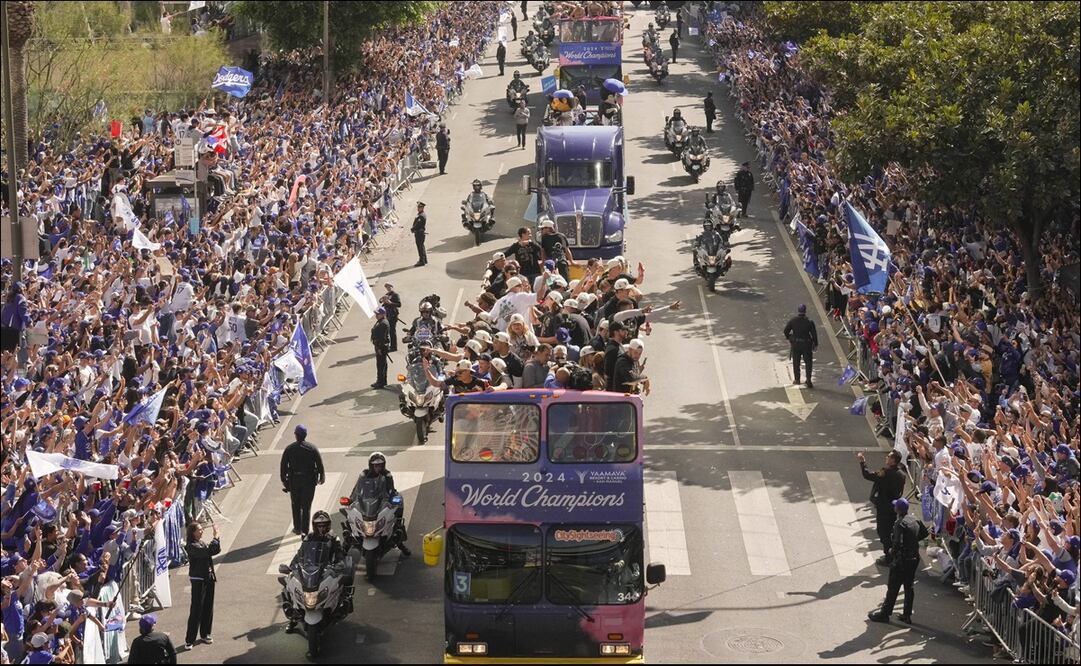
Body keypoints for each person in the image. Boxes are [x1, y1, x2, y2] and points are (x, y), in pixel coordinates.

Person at [868, 498, 926, 624]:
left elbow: (897, 543)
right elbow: (924, 533)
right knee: (908, 586)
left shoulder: (899, 524)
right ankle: (907, 614)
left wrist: (892, 552)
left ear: (897, 510)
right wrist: (912, 542)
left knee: (893, 587)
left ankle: (885, 613)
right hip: (913, 558)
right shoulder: (914, 519)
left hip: (902, 560)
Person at [355, 453, 411, 556]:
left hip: (382, 501)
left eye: (380, 465)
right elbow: (357, 489)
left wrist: (392, 500)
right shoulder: (364, 474)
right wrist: (351, 499)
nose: (378, 467)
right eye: (376, 465)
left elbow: (391, 490)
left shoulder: (387, 475)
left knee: (399, 500)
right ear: (371, 465)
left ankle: (400, 541)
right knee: (349, 518)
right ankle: (345, 546)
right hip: (367, 502)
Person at [858, 450, 906, 565]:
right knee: (891, 531)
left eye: (889, 456)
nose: (886, 458)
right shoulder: (902, 474)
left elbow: (867, 475)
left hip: (884, 507)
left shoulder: (885, 473)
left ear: (893, 460)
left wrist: (862, 462)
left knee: (884, 532)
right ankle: (893, 552)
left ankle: (889, 556)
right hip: (894, 507)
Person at [280, 424, 325, 535]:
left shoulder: (289, 449)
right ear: (305, 435)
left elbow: (283, 466)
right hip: (309, 481)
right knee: (306, 506)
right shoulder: (312, 448)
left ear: (296, 435)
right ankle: (305, 529)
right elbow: (319, 464)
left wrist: (285, 481)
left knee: (296, 505)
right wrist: (322, 476)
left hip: (295, 481)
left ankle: (297, 528)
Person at [184, 522, 220, 650]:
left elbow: (215, 550)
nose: (202, 531)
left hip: (208, 577)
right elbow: (208, 551)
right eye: (199, 530)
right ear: (192, 532)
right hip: (198, 579)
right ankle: (190, 639)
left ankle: (205, 633)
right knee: (196, 609)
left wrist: (216, 539)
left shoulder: (202, 543)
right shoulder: (191, 546)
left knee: (208, 607)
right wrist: (215, 537)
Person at [783, 304, 818, 388]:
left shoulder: (793, 321)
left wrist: (789, 337)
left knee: (796, 362)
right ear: (805, 311)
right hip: (807, 344)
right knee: (808, 363)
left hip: (796, 344)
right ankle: (808, 380)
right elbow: (814, 335)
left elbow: (785, 331)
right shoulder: (809, 322)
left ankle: (797, 379)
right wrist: (815, 344)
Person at [371, 307, 391, 389]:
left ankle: (380, 382)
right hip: (380, 346)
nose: (376, 315)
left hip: (381, 347)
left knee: (381, 365)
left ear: (382, 314)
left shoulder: (383, 323)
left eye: (378, 314)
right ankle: (382, 381)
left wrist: (379, 348)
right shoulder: (381, 321)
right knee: (381, 364)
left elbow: (382, 337)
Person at [379, 283, 402, 352]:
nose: (388, 288)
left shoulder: (395, 295)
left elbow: (399, 304)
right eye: (386, 287)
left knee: (392, 331)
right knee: (386, 331)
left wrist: (390, 303)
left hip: (393, 315)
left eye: (389, 287)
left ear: (392, 287)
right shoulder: (387, 295)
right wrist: (382, 300)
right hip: (387, 315)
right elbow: (382, 303)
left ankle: (394, 347)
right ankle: (387, 345)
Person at [411, 202, 428, 266]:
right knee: (422, 246)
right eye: (418, 207)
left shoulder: (421, 216)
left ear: (422, 208)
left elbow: (418, 225)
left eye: (419, 207)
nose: (418, 209)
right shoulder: (420, 214)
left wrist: (412, 229)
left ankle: (422, 261)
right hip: (419, 233)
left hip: (419, 233)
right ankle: (424, 259)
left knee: (420, 247)